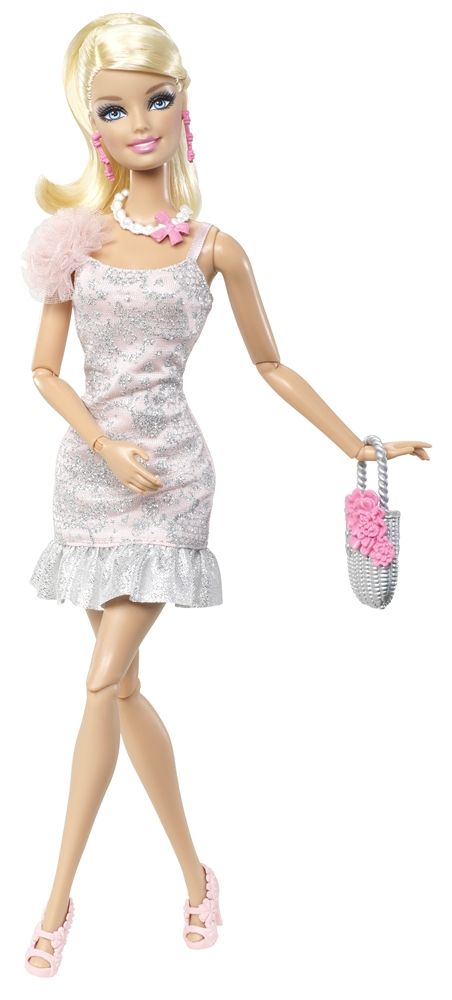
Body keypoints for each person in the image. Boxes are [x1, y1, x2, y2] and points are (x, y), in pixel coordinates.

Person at [21, 12, 431, 977]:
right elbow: (42, 370)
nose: (140, 123)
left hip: (172, 479)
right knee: (124, 689)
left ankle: (53, 901)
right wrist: (101, 443)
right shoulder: (75, 242)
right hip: (90, 479)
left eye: (156, 100)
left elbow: (271, 364)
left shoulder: (216, 248)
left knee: (99, 680)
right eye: (115, 109)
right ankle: (198, 878)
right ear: (93, 125)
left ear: (183, 106)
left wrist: (359, 444)